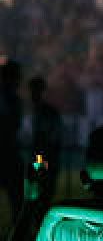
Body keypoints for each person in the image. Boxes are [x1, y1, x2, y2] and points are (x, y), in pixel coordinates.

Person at [28, 75, 63, 203]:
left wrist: (40, 162)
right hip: (44, 157)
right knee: (42, 192)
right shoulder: (40, 111)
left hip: (44, 157)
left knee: (42, 191)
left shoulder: (45, 112)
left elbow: (46, 141)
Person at [0, 60, 23, 217]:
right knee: (17, 200)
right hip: (7, 153)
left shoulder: (12, 99)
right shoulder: (10, 99)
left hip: (8, 152)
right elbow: (13, 125)